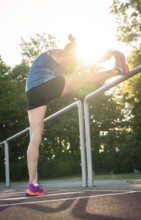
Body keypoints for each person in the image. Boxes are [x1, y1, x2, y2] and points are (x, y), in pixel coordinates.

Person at [25, 34, 129, 196]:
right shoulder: (56, 53)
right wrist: (101, 57)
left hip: (32, 92)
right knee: (82, 79)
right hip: (42, 84)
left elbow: (79, 60)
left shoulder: (51, 61)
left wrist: (100, 57)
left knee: (35, 135)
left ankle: (32, 185)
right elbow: (78, 58)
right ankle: (118, 70)